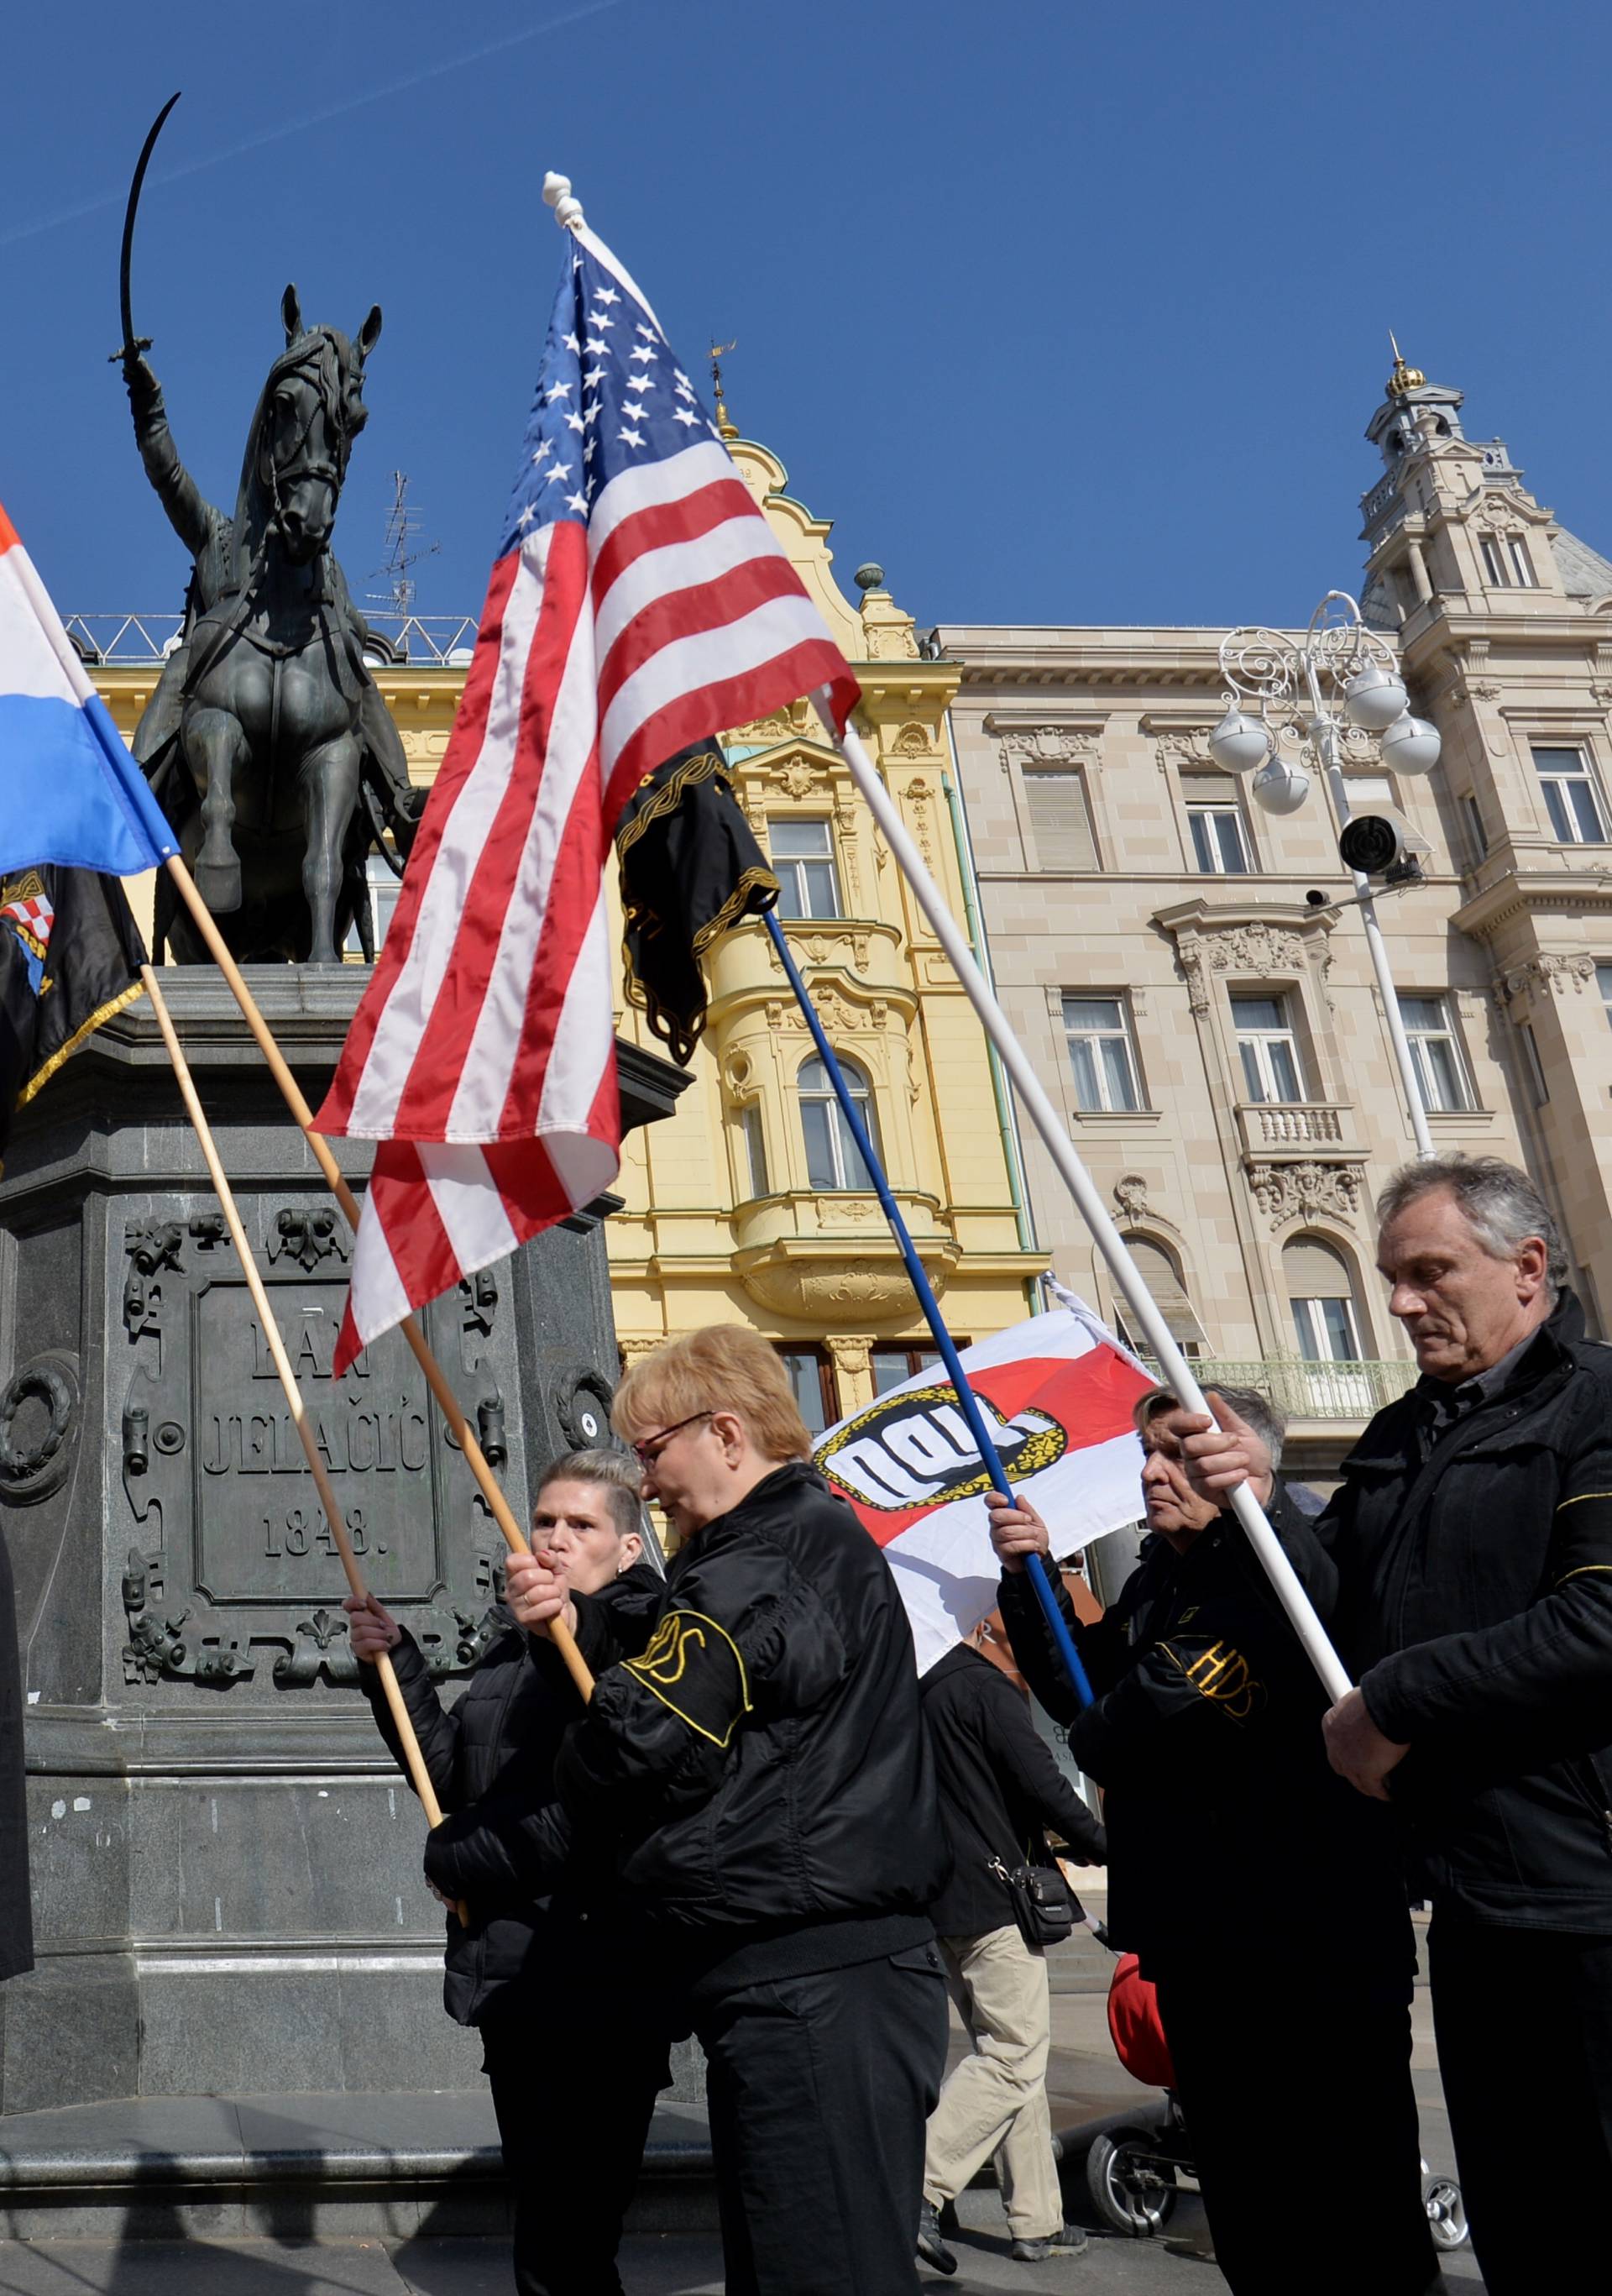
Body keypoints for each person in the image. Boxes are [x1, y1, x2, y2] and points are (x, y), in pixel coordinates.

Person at [1182, 1155, 1612, 2294]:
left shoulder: (1599, 1403)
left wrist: (1399, 1703)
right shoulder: (1397, 1432)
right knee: (1528, 2226)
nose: (1404, 1302)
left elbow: (1601, 1616)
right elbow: (1338, 1606)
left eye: (1431, 1273)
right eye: (1392, 1279)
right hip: (1473, 1901)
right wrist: (1261, 1507)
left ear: (1527, 1269)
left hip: (1592, 1894)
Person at [505, 1325, 950, 2296]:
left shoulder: (763, 1557)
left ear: (729, 1433)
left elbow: (629, 1742)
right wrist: (572, 1630)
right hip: (816, 1970)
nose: (647, 1481)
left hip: (814, 1980)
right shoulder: (793, 1542)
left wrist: (583, 1719)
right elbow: (670, 1672)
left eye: (654, 1452)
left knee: (817, 2272)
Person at [990, 1384, 1437, 2296]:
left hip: (1315, 1944)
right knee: (1251, 2208)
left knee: (1358, 2211)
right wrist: (1031, 1575)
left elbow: (1123, 1723)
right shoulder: (1161, 1577)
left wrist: (1263, 1505)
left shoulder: (1283, 1558)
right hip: (1204, 1945)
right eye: (1146, 1453)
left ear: (1242, 1462)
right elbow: (1086, 1691)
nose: (1152, 1471)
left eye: (1179, 1451)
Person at [345, 1449, 667, 2296]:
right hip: (515, 1981)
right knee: (549, 2230)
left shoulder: (644, 1638)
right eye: (546, 1521)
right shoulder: (512, 1652)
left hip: (598, 1976)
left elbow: (598, 1811)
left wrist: (460, 1862)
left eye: (582, 1525)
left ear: (628, 1550)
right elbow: (450, 1774)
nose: (555, 1539)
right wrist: (397, 1668)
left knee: (573, 2235)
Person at [915, 1606, 1107, 2274]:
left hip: (943, 1901)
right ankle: (917, 2182)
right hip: (996, 1902)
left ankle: (1038, 2221)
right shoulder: (981, 1687)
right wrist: (1104, 1843)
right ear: (982, 1625)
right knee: (1015, 2057)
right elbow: (1042, 1783)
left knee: (1008, 2051)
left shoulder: (917, 1687)